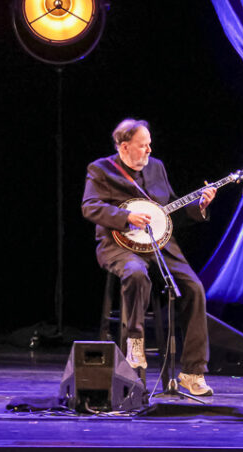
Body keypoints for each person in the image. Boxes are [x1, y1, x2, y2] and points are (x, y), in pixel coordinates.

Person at [81, 119, 216, 396]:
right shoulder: (101, 169)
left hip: (160, 245)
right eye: (143, 146)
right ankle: (135, 343)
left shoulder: (157, 168)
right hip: (119, 245)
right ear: (124, 146)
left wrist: (199, 206)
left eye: (149, 145)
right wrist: (125, 216)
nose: (148, 151)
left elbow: (171, 211)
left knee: (194, 288)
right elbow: (90, 206)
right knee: (135, 273)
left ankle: (192, 372)